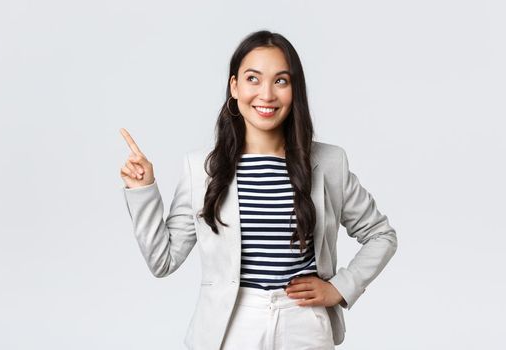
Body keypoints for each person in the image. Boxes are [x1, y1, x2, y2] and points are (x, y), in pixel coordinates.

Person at [119, 30, 397, 350]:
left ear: (295, 91)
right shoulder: (201, 169)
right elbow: (162, 261)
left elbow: (381, 234)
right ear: (234, 86)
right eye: (253, 79)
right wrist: (143, 191)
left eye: (281, 81)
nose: (266, 94)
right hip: (231, 326)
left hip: (304, 324)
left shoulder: (329, 162)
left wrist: (341, 287)